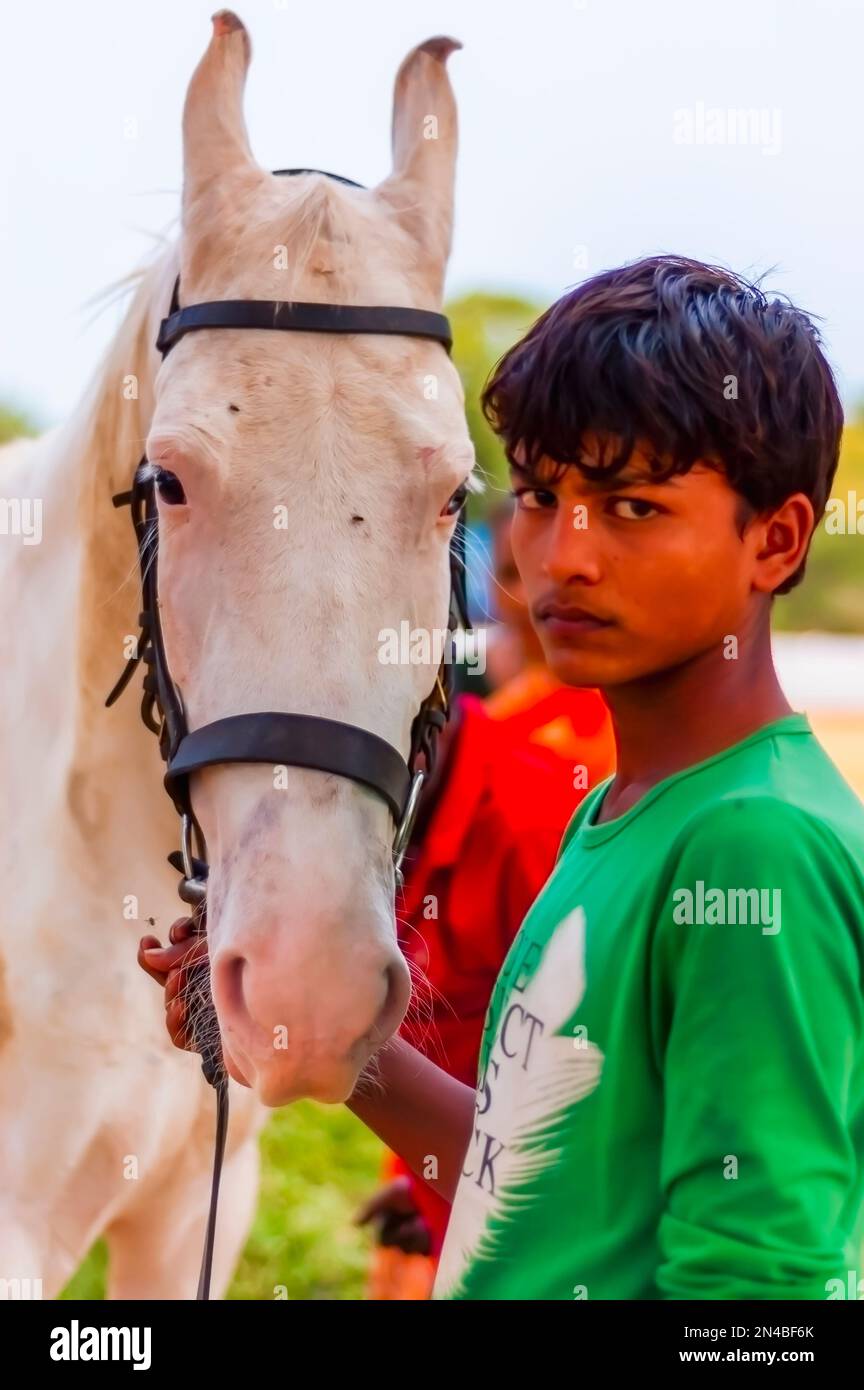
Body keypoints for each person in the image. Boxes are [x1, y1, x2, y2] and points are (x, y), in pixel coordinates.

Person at [141, 255, 864, 1301]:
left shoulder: (753, 844)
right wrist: (341, 1046)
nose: (558, 557)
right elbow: (529, 1186)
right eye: (539, 493)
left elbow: (761, 1299)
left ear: (779, 539)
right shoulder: (624, 814)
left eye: (631, 507)